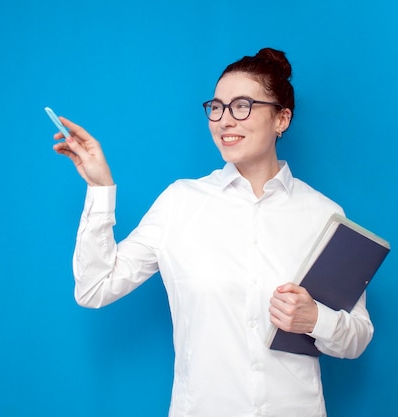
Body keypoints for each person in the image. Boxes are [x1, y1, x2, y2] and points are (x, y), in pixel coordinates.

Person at [52, 47, 373, 417]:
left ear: (281, 119)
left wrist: (316, 319)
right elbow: (95, 288)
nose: (224, 120)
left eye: (242, 106)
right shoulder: (180, 203)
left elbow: (357, 338)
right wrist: (100, 189)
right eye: (217, 108)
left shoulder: (323, 214)